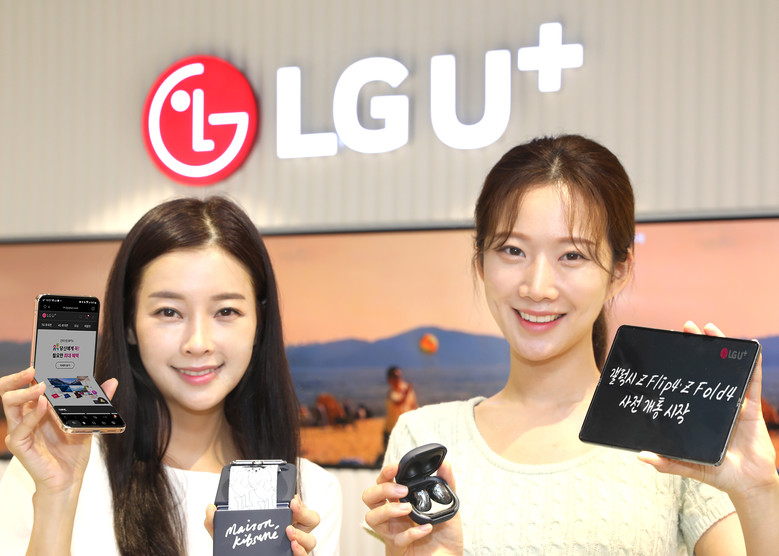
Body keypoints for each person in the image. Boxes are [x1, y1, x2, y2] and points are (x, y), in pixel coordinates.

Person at [362, 135, 779, 554]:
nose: (537, 287)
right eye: (512, 250)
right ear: (481, 262)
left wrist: (758, 492)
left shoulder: (670, 433)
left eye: (572, 255)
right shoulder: (425, 440)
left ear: (618, 271)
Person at [0, 197, 342, 556]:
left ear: (259, 323)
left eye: (226, 311)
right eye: (169, 312)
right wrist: (59, 497)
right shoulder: (54, 465)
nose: (198, 343)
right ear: (129, 324)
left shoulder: (309, 494)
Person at [382, 366, 418, 451]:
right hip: (391, 432)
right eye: (395, 377)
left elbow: (413, 406)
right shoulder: (391, 393)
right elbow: (398, 402)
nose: (398, 379)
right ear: (389, 379)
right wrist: (406, 393)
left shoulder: (407, 389)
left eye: (399, 376)